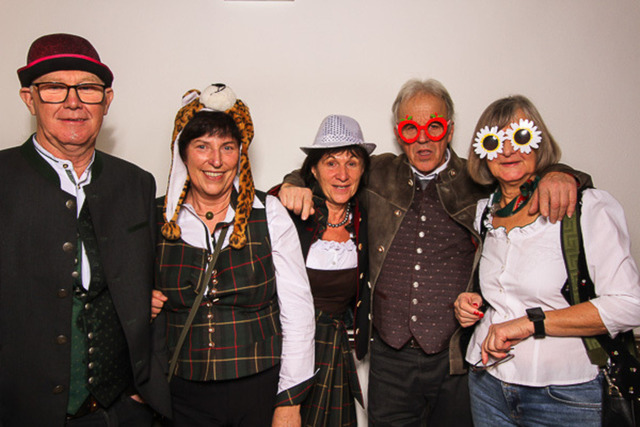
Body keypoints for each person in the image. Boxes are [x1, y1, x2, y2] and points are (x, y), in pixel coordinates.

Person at [278, 78, 590, 426]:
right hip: (388, 358)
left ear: (450, 129)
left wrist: (561, 173)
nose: (423, 139)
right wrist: (294, 183)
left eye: (435, 126)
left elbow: (523, 170)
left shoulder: (480, 176)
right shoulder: (376, 171)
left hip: (454, 357)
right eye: (411, 128)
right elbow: (324, 171)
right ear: (399, 134)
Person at [0, 33, 171, 425]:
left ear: (106, 101)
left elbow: (149, 287)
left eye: (88, 89)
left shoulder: (136, 183)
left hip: (120, 412)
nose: (73, 102)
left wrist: (144, 389)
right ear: (29, 98)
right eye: (54, 88)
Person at [453, 95, 640, 426]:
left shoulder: (585, 207)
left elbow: (629, 304)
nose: (507, 150)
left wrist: (531, 322)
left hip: (566, 395)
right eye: (494, 141)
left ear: (539, 142)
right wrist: (472, 301)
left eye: (520, 136)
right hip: (487, 384)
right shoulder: (485, 213)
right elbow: (505, 290)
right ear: (483, 152)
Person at [152, 83, 315, 427]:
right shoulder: (157, 219)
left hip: (258, 390)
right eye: (202, 146)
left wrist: (289, 401)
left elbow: (298, 314)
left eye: (227, 147)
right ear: (183, 153)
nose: (216, 160)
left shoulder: (269, 214)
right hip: (180, 393)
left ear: (240, 154)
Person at [269, 114, 374, 426]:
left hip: (337, 351)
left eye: (352, 163)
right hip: (285, 351)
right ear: (313, 170)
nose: (342, 174)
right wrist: (287, 186)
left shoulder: (367, 217)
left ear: (363, 170)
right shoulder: (288, 210)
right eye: (331, 163)